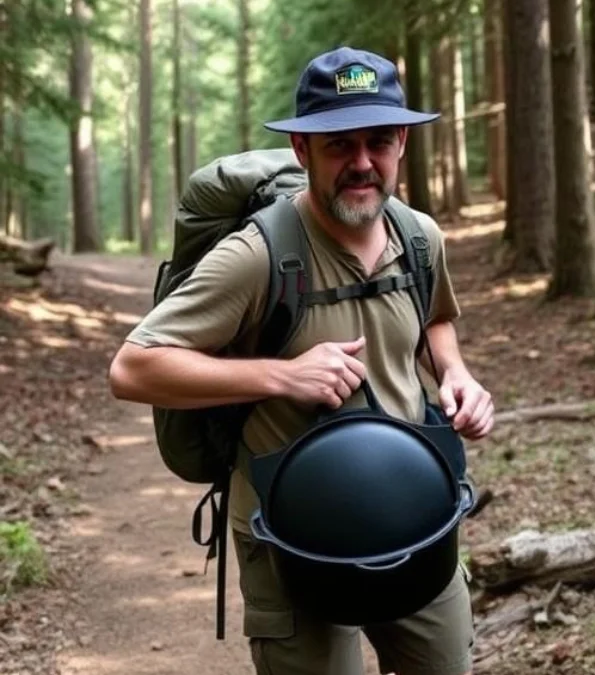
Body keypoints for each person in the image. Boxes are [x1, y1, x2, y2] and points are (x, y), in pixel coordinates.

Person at [108, 46, 493, 675]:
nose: (362, 162)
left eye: (378, 142)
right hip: (291, 529)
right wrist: (282, 375)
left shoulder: (419, 236)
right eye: (340, 145)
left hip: (412, 510)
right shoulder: (257, 255)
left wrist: (456, 374)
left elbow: (434, 318)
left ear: (401, 143)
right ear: (302, 150)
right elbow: (133, 367)